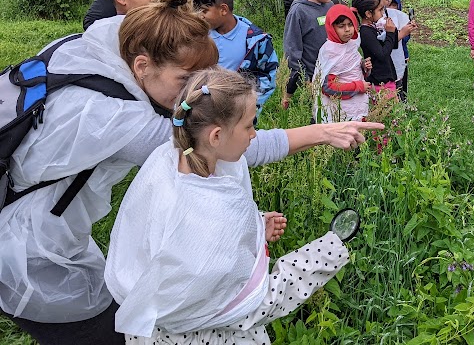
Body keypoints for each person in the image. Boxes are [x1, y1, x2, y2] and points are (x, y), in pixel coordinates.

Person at [0, 0, 382, 344]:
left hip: (46, 215)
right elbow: (225, 146)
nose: (192, 95)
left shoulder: (99, 46)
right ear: (142, 66)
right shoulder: (113, 118)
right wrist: (321, 132)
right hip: (27, 246)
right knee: (105, 331)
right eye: (185, 81)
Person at [105, 68, 351, 343]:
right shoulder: (216, 217)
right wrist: (328, 252)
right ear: (216, 137)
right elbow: (255, 306)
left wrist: (253, 228)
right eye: (249, 125)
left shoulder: (167, 162)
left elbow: (177, 239)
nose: (255, 134)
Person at [194, 0, 278, 111]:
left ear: (223, 9)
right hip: (204, 110)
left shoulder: (255, 40)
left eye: (204, 11)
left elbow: (269, 74)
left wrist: (250, 105)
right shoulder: (198, 35)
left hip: (237, 112)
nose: (200, 16)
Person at [282, 0, 337, 108]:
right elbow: (292, 50)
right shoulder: (298, 12)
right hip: (313, 77)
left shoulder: (330, 6)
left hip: (333, 73)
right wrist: (306, 81)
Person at [313, 4, 373, 123]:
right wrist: (359, 86)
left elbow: (350, 68)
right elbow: (328, 87)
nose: (347, 30)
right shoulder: (330, 51)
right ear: (332, 28)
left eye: (350, 25)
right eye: (341, 26)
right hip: (341, 111)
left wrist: (363, 66)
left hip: (357, 106)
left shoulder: (351, 44)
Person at [352, 0, 415, 96]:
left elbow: (390, 45)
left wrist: (400, 32)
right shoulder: (366, 32)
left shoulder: (373, 27)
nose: (383, 14)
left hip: (386, 80)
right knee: (388, 111)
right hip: (379, 83)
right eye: (380, 10)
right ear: (368, 14)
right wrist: (390, 33)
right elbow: (382, 54)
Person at [369, 0, 416, 101]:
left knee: (399, 99)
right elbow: (382, 45)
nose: (390, 1)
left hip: (396, 68)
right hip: (382, 74)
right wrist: (401, 34)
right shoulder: (371, 19)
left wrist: (407, 29)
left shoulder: (392, 14)